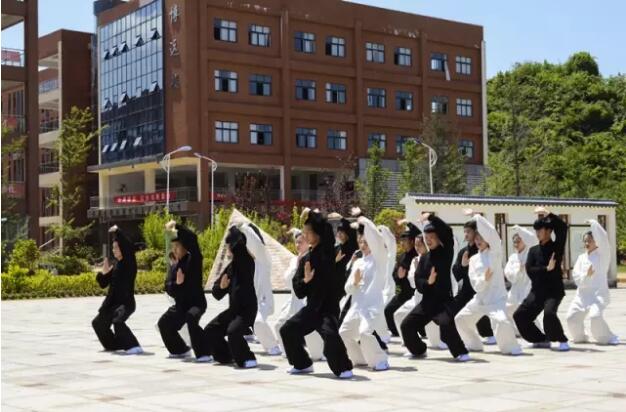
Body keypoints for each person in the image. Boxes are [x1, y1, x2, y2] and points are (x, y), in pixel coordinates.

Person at [280, 209, 354, 378]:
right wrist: (306, 280)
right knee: (287, 330)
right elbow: (299, 292)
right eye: (303, 232)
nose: (304, 236)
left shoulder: (332, 253)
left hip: (328, 308)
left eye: (308, 232)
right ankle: (303, 364)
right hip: (312, 309)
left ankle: (344, 368)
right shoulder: (305, 259)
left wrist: (334, 267)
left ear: (318, 233)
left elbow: (349, 245)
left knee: (330, 336)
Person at [400, 213, 470, 361]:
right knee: (406, 326)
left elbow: (447, 232)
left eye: (431, 238)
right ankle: (419, 350)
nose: (428, 241)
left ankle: (461, 352)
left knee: (446, 324)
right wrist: (428, 282)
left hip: (444, 302)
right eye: (426, 238)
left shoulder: (446, 253)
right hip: (427, 303)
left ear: (438, 238)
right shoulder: (424, 258)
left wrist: (431, 217)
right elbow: (418, 281)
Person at [454, 212, 522, 355]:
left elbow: (493, 235)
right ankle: (474, 344)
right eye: (477, 238)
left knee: (502, 322)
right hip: (480, 300)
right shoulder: (473, 260)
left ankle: (511, 347)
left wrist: (477, 216)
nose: (479, 241)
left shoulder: (495, 253)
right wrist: (484, 279)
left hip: (496, 300)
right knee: (460, 319)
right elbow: (475, 285)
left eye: (482, 238)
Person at [513, 207, 570, 351]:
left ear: (549, 231)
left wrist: (548, 214)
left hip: (553, 292)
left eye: (541, 230)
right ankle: (540, 339)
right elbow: (529, 270)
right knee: (520, 316)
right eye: (536, 230)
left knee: (549, 314)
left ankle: (561, 339)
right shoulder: (533, 251)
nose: (538, 233)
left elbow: (562, 228)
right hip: (537, 292)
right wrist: (546, 269)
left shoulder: (556, 248)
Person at [339, 216, 390, 371]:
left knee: (364, 333)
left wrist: (366, 222)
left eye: (366, 242)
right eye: (360, 242)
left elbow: (378, 243)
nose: (363, 245)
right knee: (344, 332)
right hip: (356, 306)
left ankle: (381, 359)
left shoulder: (379, 260)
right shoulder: (358, 262)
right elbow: (348, 288)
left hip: (372, 306)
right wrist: (354, 282)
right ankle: (359, 358)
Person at [204, 225, 258, 368]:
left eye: (228, 246)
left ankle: (248, 358)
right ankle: (226, 355)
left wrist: (234, 233)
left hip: (246, 310)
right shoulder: (231, 267)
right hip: (234, 311)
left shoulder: (246, 262)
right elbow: (216, 292)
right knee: (210, 330)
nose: (226, 249)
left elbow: (240, 249)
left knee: (233, 332)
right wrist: (222, 287)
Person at [157, 221, 211, 362]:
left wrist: (177, 226)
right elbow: (168, 287)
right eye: (173, 247)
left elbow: (192, 238)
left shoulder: (194, 260)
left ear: (185, 247)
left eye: (177, 247)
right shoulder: (175, 266)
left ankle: (205, 353)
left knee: (191, 318)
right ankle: (180, 350)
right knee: (164, 323)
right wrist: (178, 284)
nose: (174, 250)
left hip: (196, 303)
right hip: (181, 305)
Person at [566, 220, 619, 345]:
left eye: (589, 240)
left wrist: (594, 224)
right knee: (571, 318)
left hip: (597, 295)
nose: (586, 243)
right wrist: (586, 276)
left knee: (595, 317)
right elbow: (576, 277)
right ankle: (581, 337)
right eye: (585, 240)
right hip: (582, 296)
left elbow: (604, 240)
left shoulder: (602, 257)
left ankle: (607, 337)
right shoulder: (581, 258)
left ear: (596, 242)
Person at [273, 228, 324, 360]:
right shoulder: (293, 260)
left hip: (306, 301)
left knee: (310, 331)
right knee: (279, 324)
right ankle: (289, 352)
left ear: (308, 243)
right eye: (296, 242)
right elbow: (287, 280)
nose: (297, 245)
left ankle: (320, 352)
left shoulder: (314, 259)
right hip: (293, 300)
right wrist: (297, 264)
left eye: (301, 242)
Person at [92, 225, 143, 355]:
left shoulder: (129, 263)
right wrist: (103, 273)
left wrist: (117, 231)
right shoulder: (117, 266)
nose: (114, 251)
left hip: (125, 303)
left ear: (123, 249)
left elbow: (127, 245)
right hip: (112, 304)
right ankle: (114, 345)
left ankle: (134, 346)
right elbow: (103, 284)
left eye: (116, 248)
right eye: (113, 248)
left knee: (118, 321)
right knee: (98, 323)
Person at [239, 223, 281, 356]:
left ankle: (273, 346)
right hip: (252, 302)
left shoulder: (263, 259)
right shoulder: (251, 262)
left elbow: (255, 242)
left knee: (258, 322)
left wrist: (243, 227)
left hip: (264, 301)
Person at [451, 220, 496, 345]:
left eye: (468, 232)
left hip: (482, 288)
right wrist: (463, 265)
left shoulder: (483, 250)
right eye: (464, 231)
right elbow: (457, 273)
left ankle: (488, 334)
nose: (466, 234)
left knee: (481, 313)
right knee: (455, 311)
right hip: (466, 288)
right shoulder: (463, 252)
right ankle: (461, 336)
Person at [384, 221, 419, 337]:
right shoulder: (401, 257)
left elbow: (418, 233)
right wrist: (399, 277)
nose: (402, 243)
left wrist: (409, 223)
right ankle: (397, 333)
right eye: (401, 241)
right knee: (388, 310)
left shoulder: (416, 255)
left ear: (412, 241)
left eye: (405, 241)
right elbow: (394, 275)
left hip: (413, 292)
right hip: (402, 292)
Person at [393, 231, 427, 344]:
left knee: (436, 336)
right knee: (398, 315)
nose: (417, 248)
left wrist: (419, 272)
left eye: (420, 245)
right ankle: (409, 342)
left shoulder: (432, 259)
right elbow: (413, 283)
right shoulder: (414, 260)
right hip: (417, 297)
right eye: (416, 245)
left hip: (430, 299)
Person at [504, 226, 539, 334]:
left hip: (528, 287)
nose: (516, 244)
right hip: (515, 288)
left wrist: (519, 229)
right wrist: (518, 271)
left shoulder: (531, 253)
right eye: (514, 242)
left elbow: (533, 239)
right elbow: (507, 272)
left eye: (518, 241)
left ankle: (539, 335)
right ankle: (517, 331)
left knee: (526, 312)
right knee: (506, 309)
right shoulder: (512, 257)